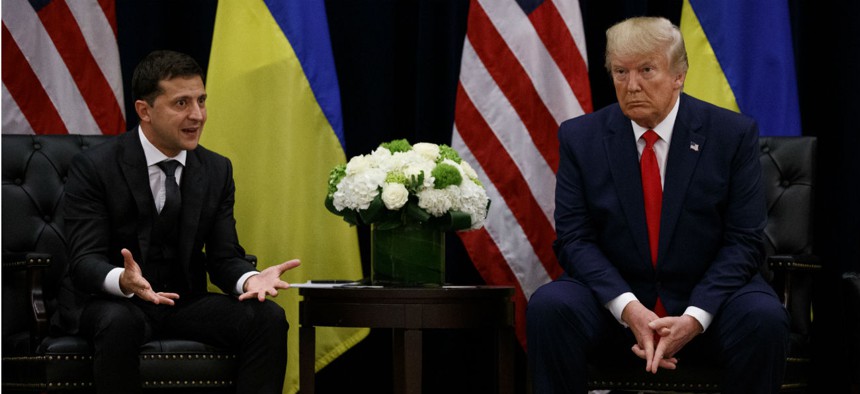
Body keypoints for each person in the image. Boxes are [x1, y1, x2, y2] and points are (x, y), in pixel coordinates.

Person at [526, 16, 789, 393]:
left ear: (679, 74)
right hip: (616, 304)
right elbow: (574, 239)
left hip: (710, 301)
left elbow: (744, 241)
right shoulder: (581, 138)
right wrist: (629, 308)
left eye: (646, 70)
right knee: (550, 308)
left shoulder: (731, 134)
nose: (631, 85)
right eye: (620, 72)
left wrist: (695, 317)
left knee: (764, 318)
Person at [56, 49, 300, 393]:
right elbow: (84, 261)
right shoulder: (95, 167)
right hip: (113, 302)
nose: (198, 115)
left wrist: (249, 280)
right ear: (145, 111)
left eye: (201, 100)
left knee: (267, 319)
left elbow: (223, 257)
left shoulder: (216, 170)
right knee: (119, 322)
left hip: (182, 301)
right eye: (181, 103)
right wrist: (124, 281)